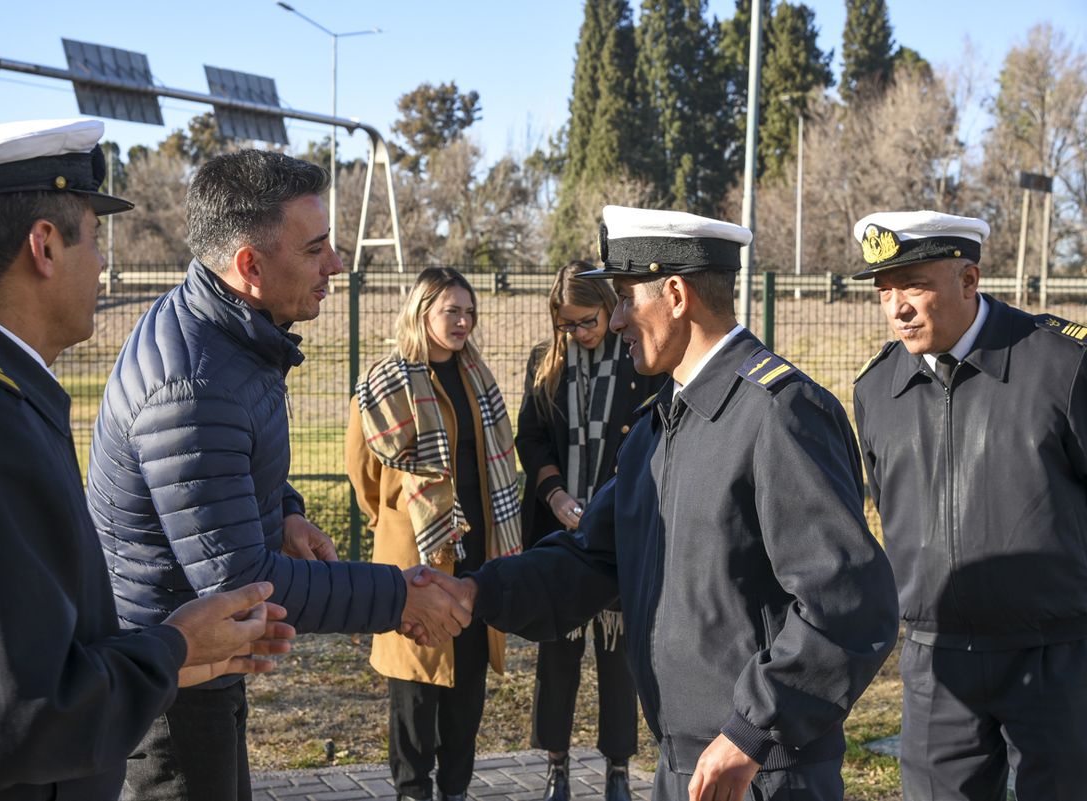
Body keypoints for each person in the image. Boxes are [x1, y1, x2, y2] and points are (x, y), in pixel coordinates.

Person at [412, 205, 900, 801]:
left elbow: (850, 601)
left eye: (624, 298)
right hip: (680, 762)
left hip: (763, 772)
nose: (616, 320)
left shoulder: (779, 415)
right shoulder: (657, 428)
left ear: (674, 294)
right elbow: (592, 557)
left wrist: (753, 731)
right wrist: (478, 592)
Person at [0, 118, 296, 801]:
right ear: (45, 244)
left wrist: (161, 665)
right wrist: (172, 649)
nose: (103, 265)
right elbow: (21, 721)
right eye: (95, 238)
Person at [86, 151, 470, 801]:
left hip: (200, 663)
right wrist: (399, 596)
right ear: (249, 265)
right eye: (316, 248)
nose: (336, 265)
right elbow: (235, 580)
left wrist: (286, 509)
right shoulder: (193, 383)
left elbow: (236, 460)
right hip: (173, 682)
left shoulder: (228, 334)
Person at [850, 210, 1087, 801]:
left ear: (970, 278)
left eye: (915, 285)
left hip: (1058, 660)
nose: (896, 307)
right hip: (937, 667)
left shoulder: (1064, 365)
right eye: (885, 291)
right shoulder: (875, 389)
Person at [346, 267, 523, 801]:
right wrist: (394, 518)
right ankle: (411, 791)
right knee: (415, 693)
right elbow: (363, 473)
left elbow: (498, 460)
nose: (464, 321)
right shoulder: (386, 380)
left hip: (475, 554)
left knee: (467, 691)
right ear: (422, 312)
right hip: (414, 559)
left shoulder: (477, 376)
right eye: (453, 311)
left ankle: (456, 791)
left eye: (469, 311)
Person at [516, 261, 658, 801]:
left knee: (618, 657)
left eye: (585, 321)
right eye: (567, 325)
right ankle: (556, 765)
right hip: (560, 529)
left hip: (620, 530)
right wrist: (554, 495)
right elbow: (532, 440)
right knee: (558, 655)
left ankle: (619, 770)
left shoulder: (639, 359)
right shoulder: (544, 362)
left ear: (607, 306)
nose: (577, 333)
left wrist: (613, 500)